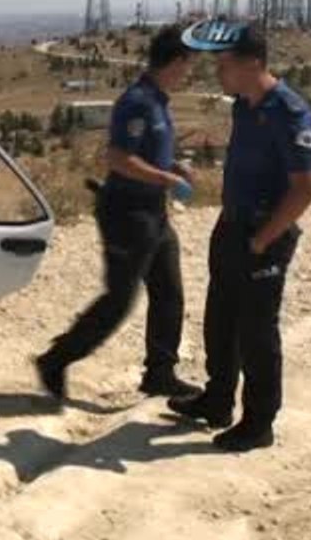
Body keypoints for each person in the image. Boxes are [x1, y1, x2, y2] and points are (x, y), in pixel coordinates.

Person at [169, 22, 311, 452]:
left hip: (264, 234)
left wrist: (262, 239)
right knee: (221, 319)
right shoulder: (243, 105)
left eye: (225, 63)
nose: (219, 71)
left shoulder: (289, 112)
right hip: (232, 225)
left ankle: (259, 422)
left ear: (253, 62)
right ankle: (218, 400)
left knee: (256, 330)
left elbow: (305, 188)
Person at [35, 25, 198, 400]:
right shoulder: (138, 101)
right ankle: (55, 360)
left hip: (153, 212)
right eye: (187, 66)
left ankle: (159, 373)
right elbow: (118, 158)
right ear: (175, 62)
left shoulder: (158, 101)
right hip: (127, 213)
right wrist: (167, 180)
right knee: (118, 301)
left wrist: (172, 167)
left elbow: (145, 153)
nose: (188, 74)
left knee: (169, 293)